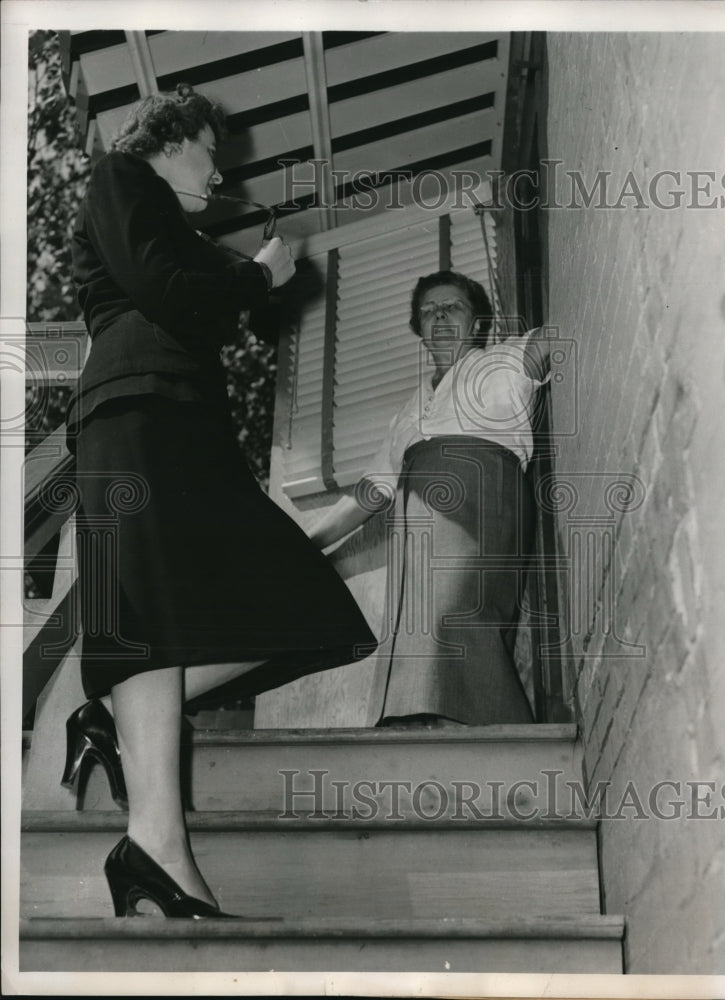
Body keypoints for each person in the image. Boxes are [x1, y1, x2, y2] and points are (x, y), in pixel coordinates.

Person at [60, 84, 376, 917]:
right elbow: (163, 288)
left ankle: (109, 717)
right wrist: (254, 273)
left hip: (183, 419)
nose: (218, 168)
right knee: (149, 616)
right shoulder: (120, 176)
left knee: (312, 609)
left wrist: (252, 282)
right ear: (171, 142)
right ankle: (155, 847)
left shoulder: (179, 226)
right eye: (210, 150)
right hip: (131, 413)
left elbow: (201, 300)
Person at [309, 271, 550, 728]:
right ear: (420, 332)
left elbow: (555, 341)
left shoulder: (504, 359)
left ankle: (499, 740)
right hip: (417, 519)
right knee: (416, 628)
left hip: (480, 498)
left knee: (453, 617)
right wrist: (304, 545)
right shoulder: (408, 410)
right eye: (428, 311)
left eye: (452, 306)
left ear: (477, 324)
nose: (438, 315)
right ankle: (420, 733)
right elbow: (371, 493)